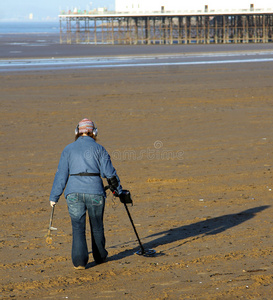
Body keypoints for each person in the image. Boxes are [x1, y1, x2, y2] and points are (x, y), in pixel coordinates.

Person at [49, 118, 123, 270]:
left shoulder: (68, 149)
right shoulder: (99, 149)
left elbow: (61, 175)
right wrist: (119, 191)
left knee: (78, 228)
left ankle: (79, 262)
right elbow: (109, 173)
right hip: (95, 191)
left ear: (77, 132)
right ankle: (100, 257)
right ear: (94, 132)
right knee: (97, 226)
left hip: (73, 193)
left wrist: (54, 197)